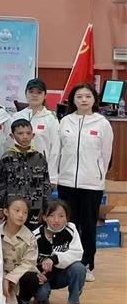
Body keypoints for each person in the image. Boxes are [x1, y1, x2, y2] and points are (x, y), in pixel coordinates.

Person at [56, 83, 113, 282]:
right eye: (79, 96)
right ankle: (67, 262)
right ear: (73, 100)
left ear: (94, 99)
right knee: (68, 224)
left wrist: (98, 175)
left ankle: (87, 264)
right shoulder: (65, 121)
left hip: (91, 184)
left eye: (87, 96)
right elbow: (58, 151)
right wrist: (57, 175)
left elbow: (106, 155)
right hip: (66, 182)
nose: (83, 100)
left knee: (88, 225)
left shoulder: (102, 123)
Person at [34, 200, 87, 304]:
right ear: (44, 217)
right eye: (52, 216)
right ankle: (40, 299)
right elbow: (29, 260)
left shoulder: (71, 230)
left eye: (61, 216)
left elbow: (77, 253)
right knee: (41, 296)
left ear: (67, 218)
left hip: (63, 275)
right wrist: (36, 274)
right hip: (43, 277)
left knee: (79, 268)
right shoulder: (35, 236)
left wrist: (55, 259)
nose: (56, 220)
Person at [2, 119, 51, 230]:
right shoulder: (6, 158)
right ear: (12, 136)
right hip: (14, 207)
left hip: (35, 207)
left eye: (28, 133)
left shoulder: (39, 158)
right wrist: (1, 206)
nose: (25, 136)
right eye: (20, 133)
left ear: (33, 135)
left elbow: (46, 184)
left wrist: (46, 207)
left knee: (34, 234)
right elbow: (1, 184)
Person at [1, 197, 40, 304]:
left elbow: (29, 263)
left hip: (18, 278)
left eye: (25, 212)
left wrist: (10, 278)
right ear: (6, 212)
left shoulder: (30, 237)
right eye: (17, 210)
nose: (21, 215)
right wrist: (3, 277)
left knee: (32, 277)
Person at [11, 78, 60, 169]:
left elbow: (55, 148)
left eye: (39, 92)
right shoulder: (16, 116)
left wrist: (52, 174)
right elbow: (10, 143)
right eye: (31, 92)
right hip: (18, 168)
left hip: (41, 169)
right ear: (26, 94)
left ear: (45, 95)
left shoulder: (51, 118)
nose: (35, 95)